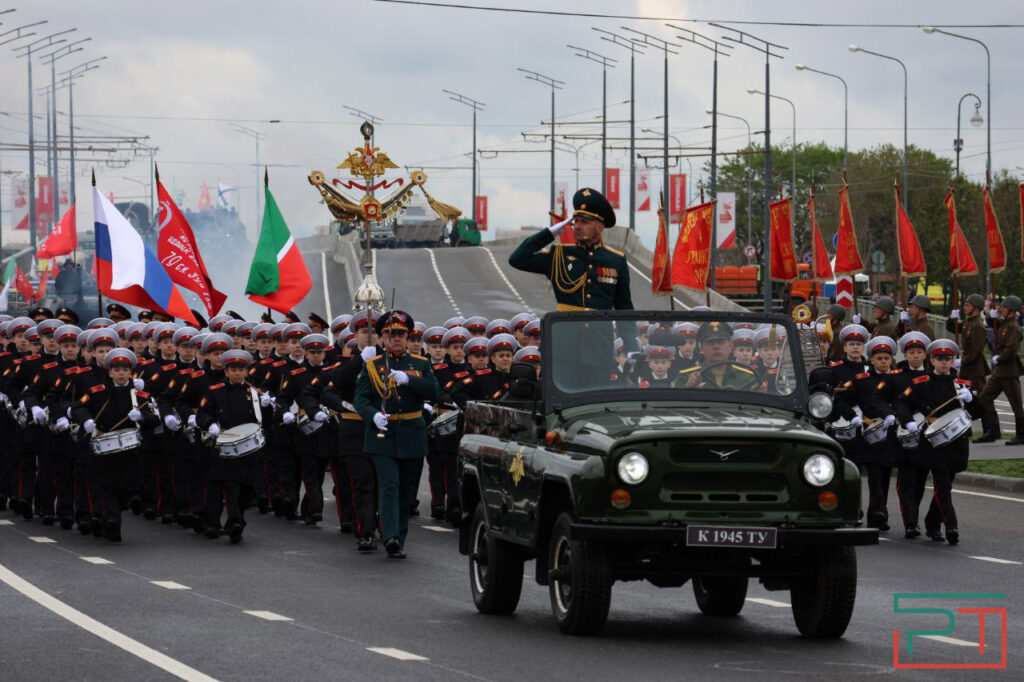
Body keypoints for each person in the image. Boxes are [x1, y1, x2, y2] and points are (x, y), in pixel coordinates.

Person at [354, 310, 438, 559]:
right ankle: (389, 536)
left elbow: (434, 391)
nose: (397, 339)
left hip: (412, 433)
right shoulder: (372, 366)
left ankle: (399, 538)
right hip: (383, 434)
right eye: (390, 334)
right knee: (389, 485)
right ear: (381, 339)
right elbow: (360, 398)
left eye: (401, 334)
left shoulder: (421, 364)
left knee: (406, 490)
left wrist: (409, 380)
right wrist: (372, 415)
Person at [71, 349, 158, 541]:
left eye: (125, 369)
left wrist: (143, 416)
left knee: (125, 489)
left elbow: (155, 418)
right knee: (106, 485)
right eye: (117, 369)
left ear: (130, 373)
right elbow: (78, 406)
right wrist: (85, 420)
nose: (121, 373)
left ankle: (110, 515)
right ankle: (112, 520)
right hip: (104, 448)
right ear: (109, 372)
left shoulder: (140, 395)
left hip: (130, 451)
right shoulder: (98, 392)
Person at [509, 187, 634, 318]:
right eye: (576, 221)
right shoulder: (558, 255)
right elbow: (517, 259)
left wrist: (629, 339)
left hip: (600, 337)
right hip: (566, 335)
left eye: (584, 222)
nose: (578, 226)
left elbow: (624, 310)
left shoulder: (616, 260)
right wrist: (550, 232)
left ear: (599, 227)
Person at [896, 339, 974, 544]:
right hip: (934, 440)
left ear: (953, 361)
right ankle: (951, 526)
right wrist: (908, 422)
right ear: (932, 360)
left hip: (958, 441)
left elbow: (977, 413)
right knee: (942, 485)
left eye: (948, 359)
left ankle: (932, 523)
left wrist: (972, 400)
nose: (944, 363)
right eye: (940, 359)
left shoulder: (961, 385)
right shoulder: (922, 382)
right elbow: (903, 403)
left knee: (947, 482)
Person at [196, 349, 265, 543]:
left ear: (246, 372)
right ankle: (222, 523)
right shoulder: (215, 391)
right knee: (220, 486)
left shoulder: (254, 393)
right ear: (226, 372)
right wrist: (210, 423)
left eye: (241, 369)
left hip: (247, 449)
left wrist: (268, 406)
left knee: (244, 488)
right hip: (222, 446)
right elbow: (203, 413)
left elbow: (263, 421)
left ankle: (237, 519)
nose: (237, 373)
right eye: (233, 369)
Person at [853, 336, 899, 531]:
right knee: (875, 476)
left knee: (886, 475)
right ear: (871, 360)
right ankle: (876, 514)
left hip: (890, 435)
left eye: (886, 358)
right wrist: (851, 416)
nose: (882, 361)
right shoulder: (862, 380)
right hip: (869, 434)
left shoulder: (897, 378)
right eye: (878, 358)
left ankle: (880, 513)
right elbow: (844, 398)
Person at [975, 295, 1024, 445]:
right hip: (1000, 372)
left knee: (1016, 404)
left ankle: (1022, 435)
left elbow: (1011, 348)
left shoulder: (1013, 326)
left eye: (1003, 306)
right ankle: (993, 431)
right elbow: (995, 326)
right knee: (984, 398)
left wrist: (999, 358)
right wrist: (991, 317)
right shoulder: (1005, 323)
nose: (1001, 308)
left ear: (1011, 309)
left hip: (1009, 371)